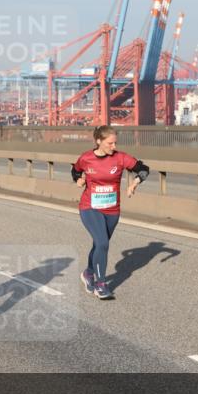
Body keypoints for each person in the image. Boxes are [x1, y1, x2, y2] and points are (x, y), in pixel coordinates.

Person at [72, 125, 150, 300]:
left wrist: (134, 183)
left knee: (100, 244)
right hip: (90, 207)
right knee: (103, 243)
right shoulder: (86, 158)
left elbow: (144, 169)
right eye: (110, 143)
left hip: (112, 210)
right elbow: (75, 171)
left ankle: (88, 273)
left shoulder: (121, 158)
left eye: (115, 143)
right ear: (98, 141)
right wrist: (79, 179)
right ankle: (101, 284)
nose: (114, 147)